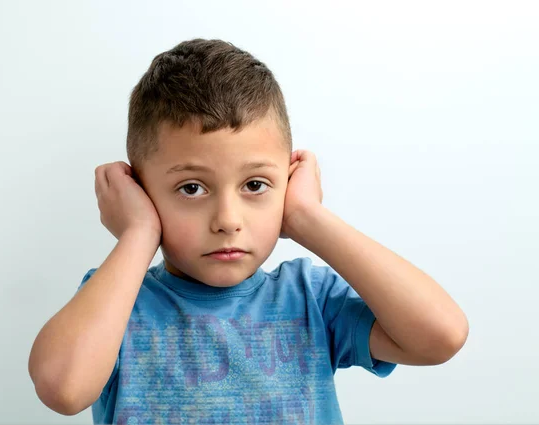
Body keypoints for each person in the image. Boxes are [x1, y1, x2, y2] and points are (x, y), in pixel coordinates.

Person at [28, 38, 469, 424]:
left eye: (255, 185)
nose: (228, 219)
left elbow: (441, 336)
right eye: (192, 187)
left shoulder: (311, 299)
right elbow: (63, 389)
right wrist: (138, 233)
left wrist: (307, 218)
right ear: (140, 192)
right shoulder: (117, 304)